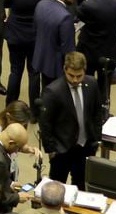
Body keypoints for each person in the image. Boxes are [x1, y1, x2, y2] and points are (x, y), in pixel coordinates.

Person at [39, 52, 101, 188]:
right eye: (71, 75)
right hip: (62, 149)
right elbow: (45, 123)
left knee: (81, 185)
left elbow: (97, 113)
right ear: (65, 69)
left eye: (79, 76)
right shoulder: (53, 91)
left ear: (84, 71)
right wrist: (51, 150)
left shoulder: (92, 84)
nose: (74, 80)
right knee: (56, 188)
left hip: (85, 147)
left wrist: (96, 138)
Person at [33, 0, 77, 87]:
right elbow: (68, 49)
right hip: (56, 66)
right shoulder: (65, 17)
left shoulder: (41, 4)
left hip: (41, 58)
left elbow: (37, 28)